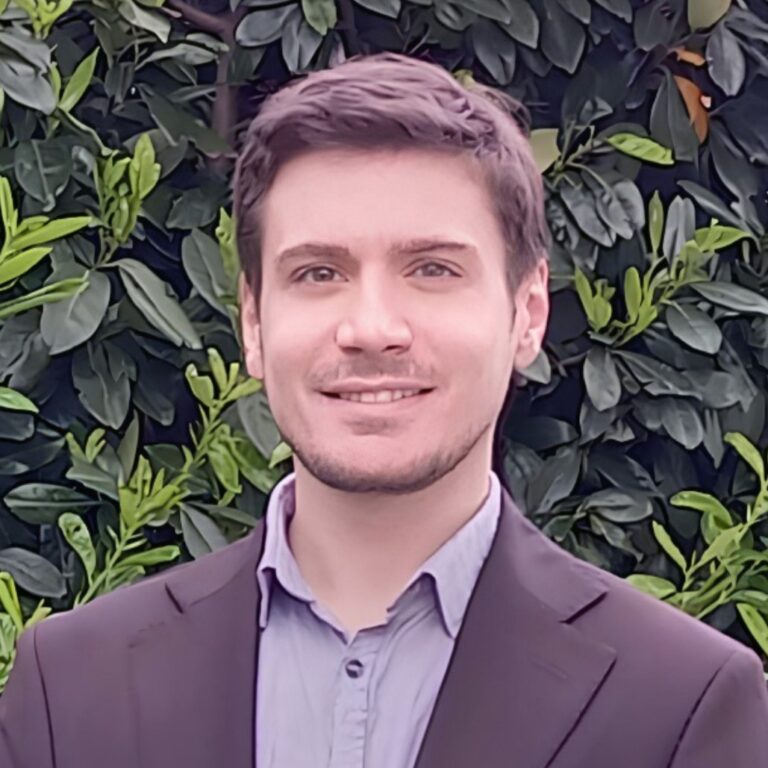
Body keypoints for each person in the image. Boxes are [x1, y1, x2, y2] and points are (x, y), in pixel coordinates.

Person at [1, 51, 767, 768]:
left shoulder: (682, 705)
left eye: (432, 269)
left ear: (528, 313)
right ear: (254, 324)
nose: (371, 328)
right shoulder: (70, 690)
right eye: (318, 272)